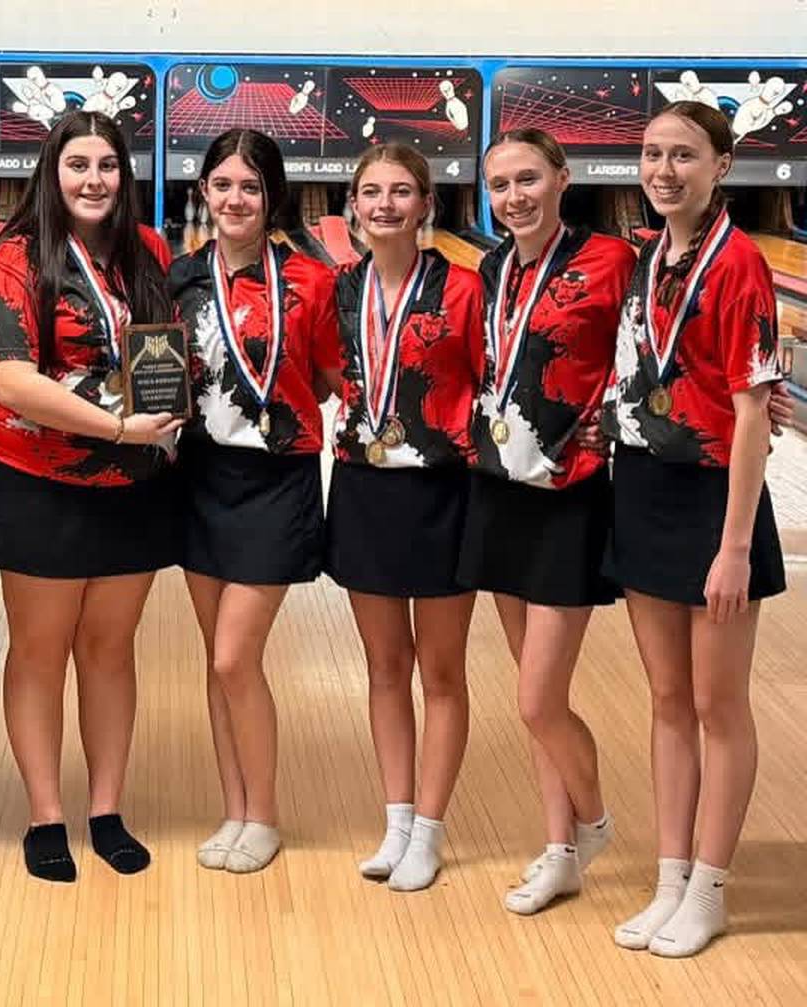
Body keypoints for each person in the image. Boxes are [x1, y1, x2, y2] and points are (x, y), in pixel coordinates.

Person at [0, 110, 181, 882]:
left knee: (109, 648)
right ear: (52, 173)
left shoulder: (148, 249)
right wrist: (117, 426)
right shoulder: (15, 258)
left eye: (108, 166)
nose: (94, 180)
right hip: (36, 481)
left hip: (133, 487)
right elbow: (10, 379)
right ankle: (44, 813)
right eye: (78, 165)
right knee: (41, 650)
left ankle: (106, 807)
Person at [602, 101, 785, 958]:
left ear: (721, 166)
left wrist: (736, 545)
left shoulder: (740, 262)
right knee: (668, 700)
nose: (663, 170)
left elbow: (753, 415)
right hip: (642, 486)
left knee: (717, 705)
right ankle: (670, 876)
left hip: (717, 503)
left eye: (683, 155)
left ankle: (710, 884)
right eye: (651, 154)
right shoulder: (644, 255)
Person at [457, 128, 636, 914]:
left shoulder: (613, 262)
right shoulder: (492, 268)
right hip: (501, 486)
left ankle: (591, 820)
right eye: (499, 185)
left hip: (572, 491)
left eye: (528, 178)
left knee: (538, 697)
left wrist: (621, 418)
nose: (514, 196)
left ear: (563, 179)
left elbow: (658, 351)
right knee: (533, 691)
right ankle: (557, 847)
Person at [168, 128, 335, 873]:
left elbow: (330, 374)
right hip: (199, 478)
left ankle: (261, 812)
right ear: (203, 191)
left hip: (276, 480)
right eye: (223, 184)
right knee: (216, 659)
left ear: (272, 197)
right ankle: (232, 808)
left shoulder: (310, 281)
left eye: (251, 186)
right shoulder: (176, 279)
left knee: (238, 656)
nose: (235, 198)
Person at [321, 143, 483, 892]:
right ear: (352, 203)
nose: (383, 204)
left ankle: (431, 827)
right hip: (363, 490)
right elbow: (323, 372)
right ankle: (395, 820)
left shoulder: (466, 289)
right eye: (370, 191)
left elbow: (501, 373)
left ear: (425, 204)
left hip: (445, 493)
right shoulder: (338, 289)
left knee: (441, 672)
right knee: (385, 667)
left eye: (401, 191)